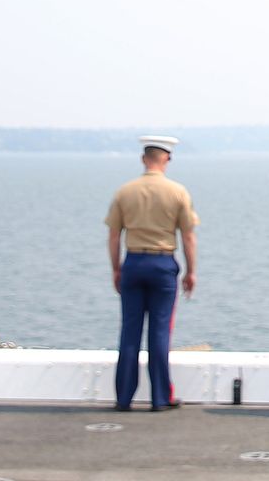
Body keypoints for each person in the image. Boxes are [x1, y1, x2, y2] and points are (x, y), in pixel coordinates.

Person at [105, 135, 198, 412]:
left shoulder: (125, 191)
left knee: (130, 332)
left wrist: (116, 268)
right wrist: (191, 272)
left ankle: (123, 397)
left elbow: (113, 236)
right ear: (166, 159)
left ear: (144, 159)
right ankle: (160, 397)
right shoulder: (178, 192)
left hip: (133, 262)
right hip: (163, 264)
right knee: (159, 332)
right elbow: (188, 237)